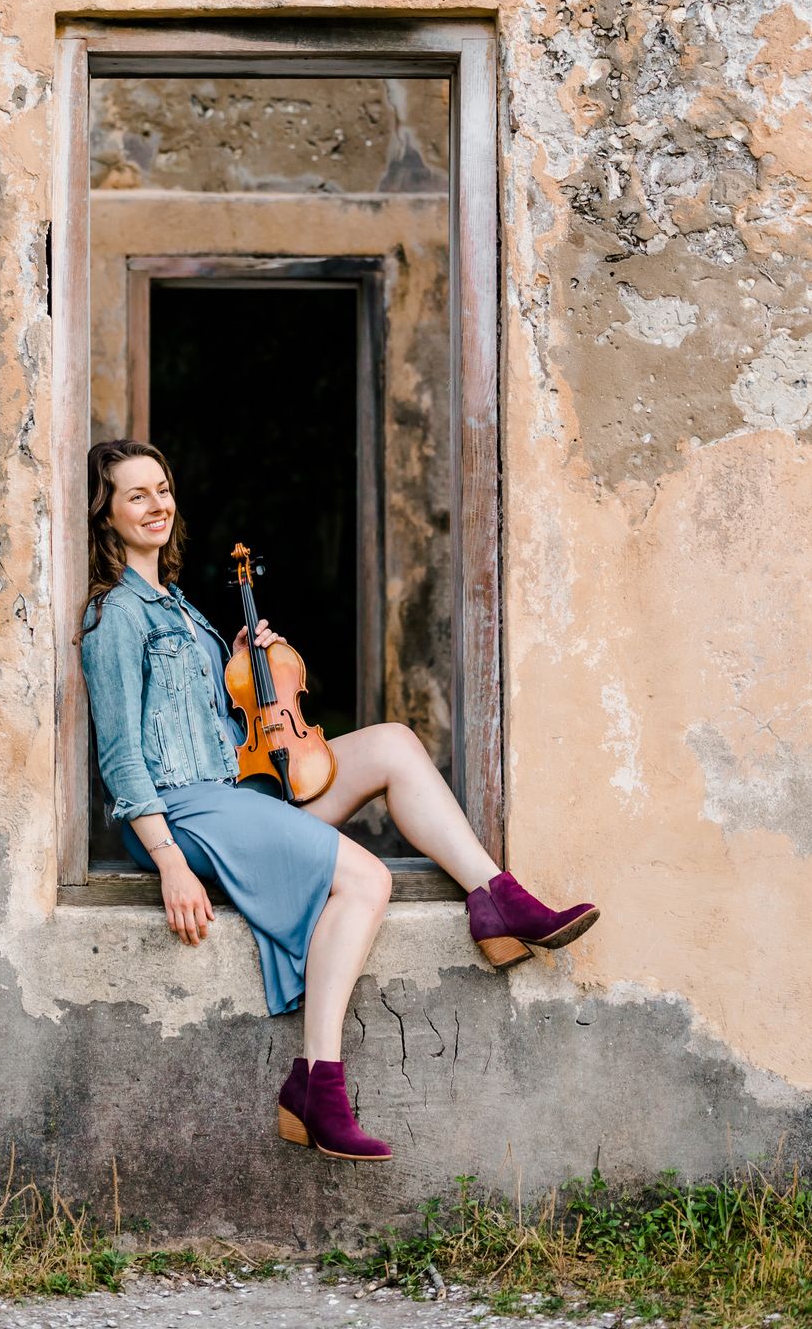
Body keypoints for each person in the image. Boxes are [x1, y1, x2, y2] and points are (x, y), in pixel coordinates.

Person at [78, 439, 599, 1163]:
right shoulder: (113, 617)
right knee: (367, 878)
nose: (156, 505)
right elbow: (121, 756)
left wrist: (245, 666)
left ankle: (496, 900)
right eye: (136, 495)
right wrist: (167, 860)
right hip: (185, 813)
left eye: (162, 489)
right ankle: (315, 1083)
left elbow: (215, 725)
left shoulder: (184, 609)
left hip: (235, 793)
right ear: (106, 515)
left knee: (392, 745)